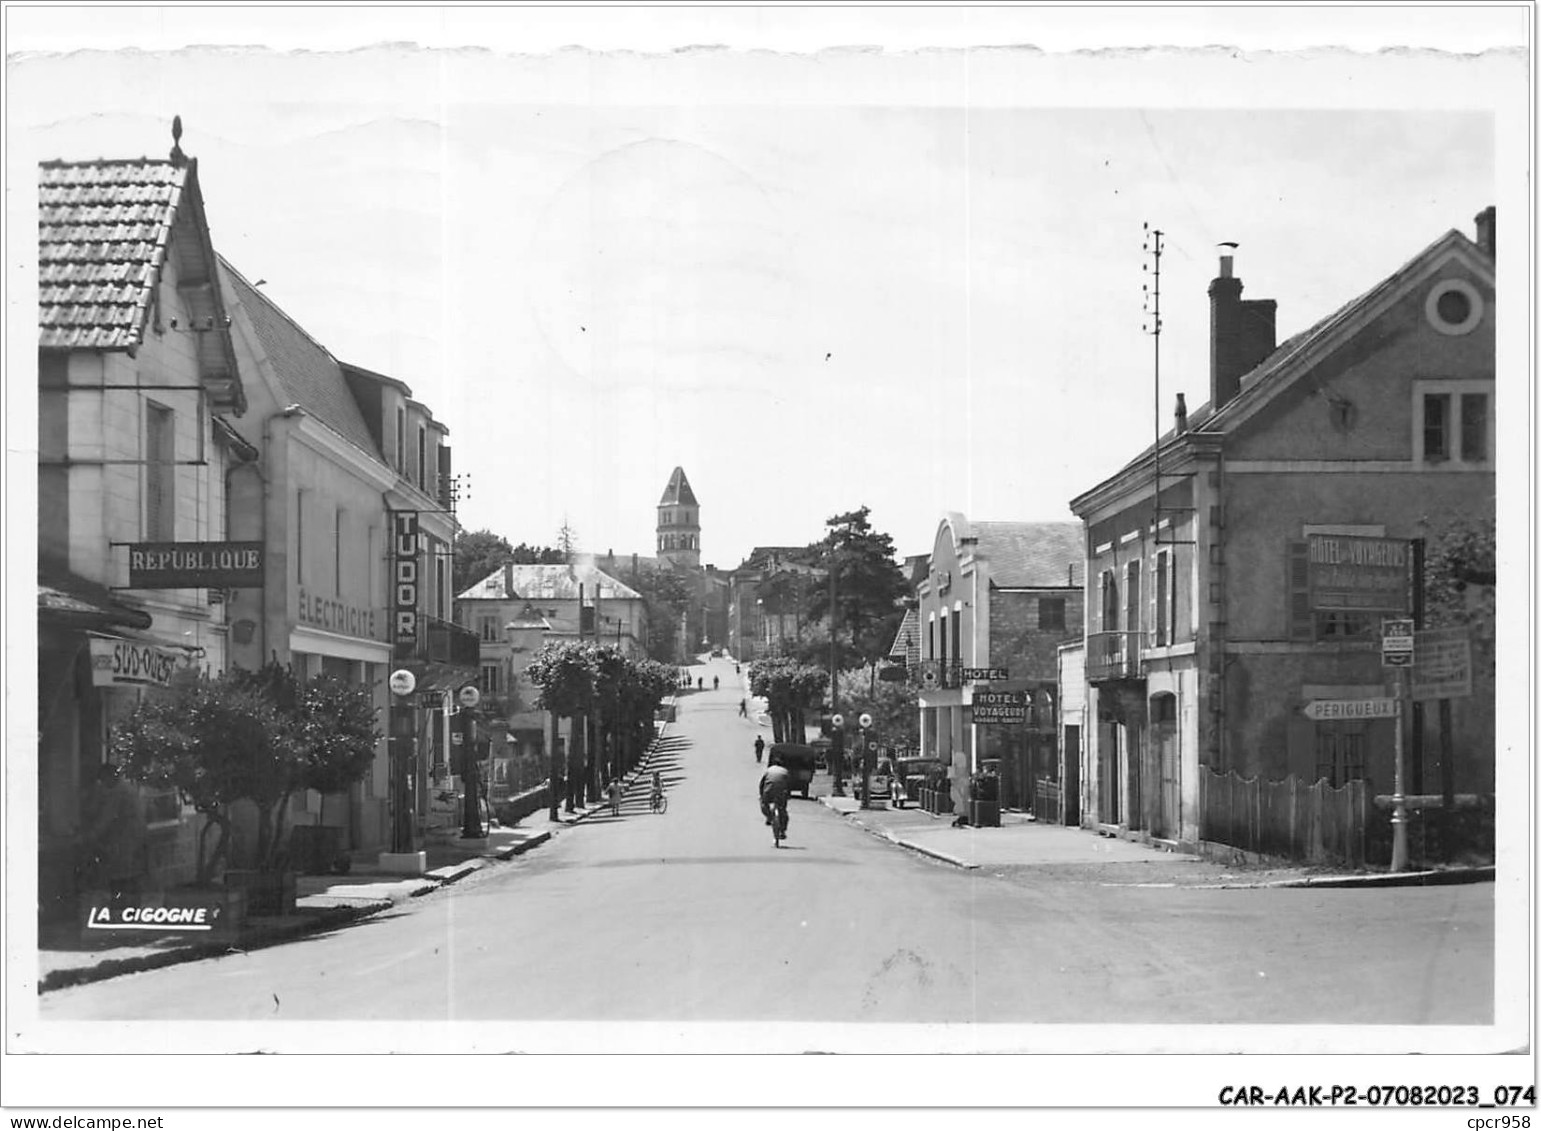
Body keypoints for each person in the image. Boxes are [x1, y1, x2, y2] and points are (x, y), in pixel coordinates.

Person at [79, 761, 147, 900]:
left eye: (103, 780)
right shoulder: (127, 788)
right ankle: (129, 905)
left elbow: (106, 818)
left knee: (121, 875)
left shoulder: (118, 792)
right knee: (130, 873)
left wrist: (89, 836)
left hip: (125, 839)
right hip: (133, 838)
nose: (103, 784)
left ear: (109, 776)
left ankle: (123, 906)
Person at [759, 754, 791, 834]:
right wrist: (788, 795)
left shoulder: (769, 770)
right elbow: (789, 784)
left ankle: (769, 817)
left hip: (769, 791)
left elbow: (761, 784)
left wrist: (761, 795)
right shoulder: (785, 771)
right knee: (783, 810)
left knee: (764, 803)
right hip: (781, 793)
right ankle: (783, 830)